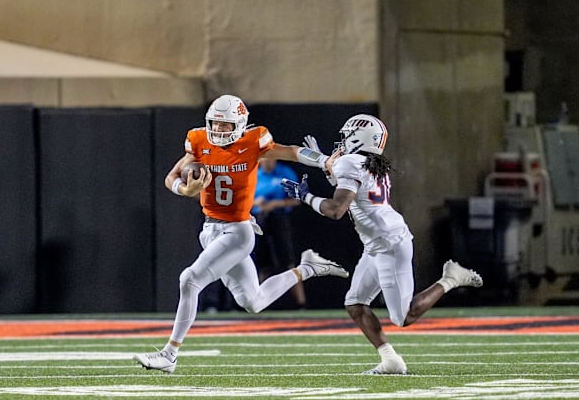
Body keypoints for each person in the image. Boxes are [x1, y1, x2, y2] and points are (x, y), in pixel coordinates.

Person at [133, 94, 349, 373]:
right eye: (215, 124)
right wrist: (184, 190)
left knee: (189, 279)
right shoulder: (199, 141)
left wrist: (323, 161)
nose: (219, 130)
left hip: (238, 231)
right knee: (253, 302)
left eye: (225, 125)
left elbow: (292, 151)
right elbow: (171, 177)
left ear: (240, 124)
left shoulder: (253, 141)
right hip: (210, 229)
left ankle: (169, 354)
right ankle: (307, 269)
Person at [282, 113, 484, 374]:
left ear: (359, 138)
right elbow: (350, 189)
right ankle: (391, 360)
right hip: (377, 243)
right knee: (355, 303)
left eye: (346, 137)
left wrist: (305, 196)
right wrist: (326, 165)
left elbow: (336, 209)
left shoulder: (352, 163)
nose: (341, 143)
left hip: (389, 243)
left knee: (403, 317)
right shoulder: (368, 163)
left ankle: (451, 279)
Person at [251, 157, 305, 308]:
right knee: (261, 263)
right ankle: (259, 302)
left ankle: (300, 303)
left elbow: (297, 199)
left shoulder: (285, 172)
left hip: (279, 218)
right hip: (258, 220)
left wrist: (276, 203)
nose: (268, 161)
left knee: (288, 261)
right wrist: (256, 203)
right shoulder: (254, 174)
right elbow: (242, 200)